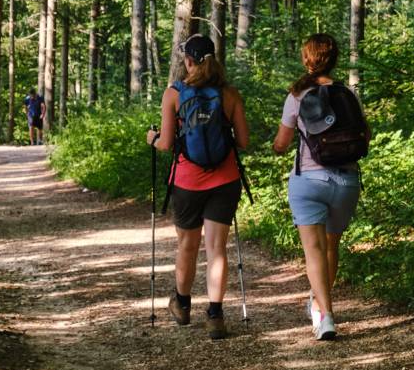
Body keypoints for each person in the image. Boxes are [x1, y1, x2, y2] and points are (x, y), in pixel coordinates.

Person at [146, 34, 251, 340]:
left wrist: (150, 138)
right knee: (217, 249)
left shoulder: (174, 95)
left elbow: (165, 144)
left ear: (188, 61)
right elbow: (243, 141)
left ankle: (182, 303)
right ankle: (216, 315)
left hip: (187, 181)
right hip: (225, 180)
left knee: (187, 245)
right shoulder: (229, 95)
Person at [271, 33, 370, 341]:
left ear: (306, 59)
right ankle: (318, 304)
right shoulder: (348, 94)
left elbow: (281, 143)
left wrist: (277, 147)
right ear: (335, 59)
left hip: (309, 181)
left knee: (313, 250)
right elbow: (365, 137)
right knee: (331, 246)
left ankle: (325, 316)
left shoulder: (297, 95)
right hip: (346, 182)